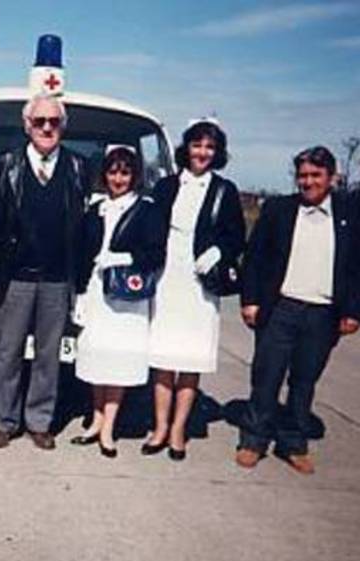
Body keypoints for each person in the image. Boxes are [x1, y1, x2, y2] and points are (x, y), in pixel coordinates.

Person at [235, 146, 360, 474]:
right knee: (266, 377)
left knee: (304, 381)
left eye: (316, 175)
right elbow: (255, 259)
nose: (308, 182)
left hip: (323, 314)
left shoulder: (350, 214)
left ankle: (293, 442)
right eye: (302, 175)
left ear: (332, 177)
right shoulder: (279, 209)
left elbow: (355, 268)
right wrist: (250, 300)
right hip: (281, 309)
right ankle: (253, 440)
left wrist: (353, 311)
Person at [0, 93, 87, 450]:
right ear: (26, 125)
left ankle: (39, 421)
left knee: (49, 355)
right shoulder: (4, 164)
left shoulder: (77, 167)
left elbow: (82, 225)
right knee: (8, 352)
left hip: (58, 279)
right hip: (16, 277)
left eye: (54, 122)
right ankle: (5, 421)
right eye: (40, 121)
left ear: (63, 126)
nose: (47, 127)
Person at [147, 119, 245, 460]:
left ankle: (178, 430)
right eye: (197, 145)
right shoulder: (166, 185)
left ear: (217, 153)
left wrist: (218, 251)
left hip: (200, 285)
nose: (202, 152)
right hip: (167, 277)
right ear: (186, 148)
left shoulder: (224, 190)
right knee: (162, 359)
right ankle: (159, 426)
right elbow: (149, 227)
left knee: (189, 360)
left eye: (210, 147)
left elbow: (236, 236)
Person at [71, 147, 167, 458]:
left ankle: (109, 427)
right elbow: (82, 255)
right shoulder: (95, 208)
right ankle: (96, 420)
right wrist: (81, 294)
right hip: (98, 294)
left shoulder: (147, 209)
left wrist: (124, 258)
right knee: (98, 359)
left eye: (125, 172)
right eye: (113, 172)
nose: (118, 179)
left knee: (118, 363)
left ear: (135, 176)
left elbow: (155, 254)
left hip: (127, 297)